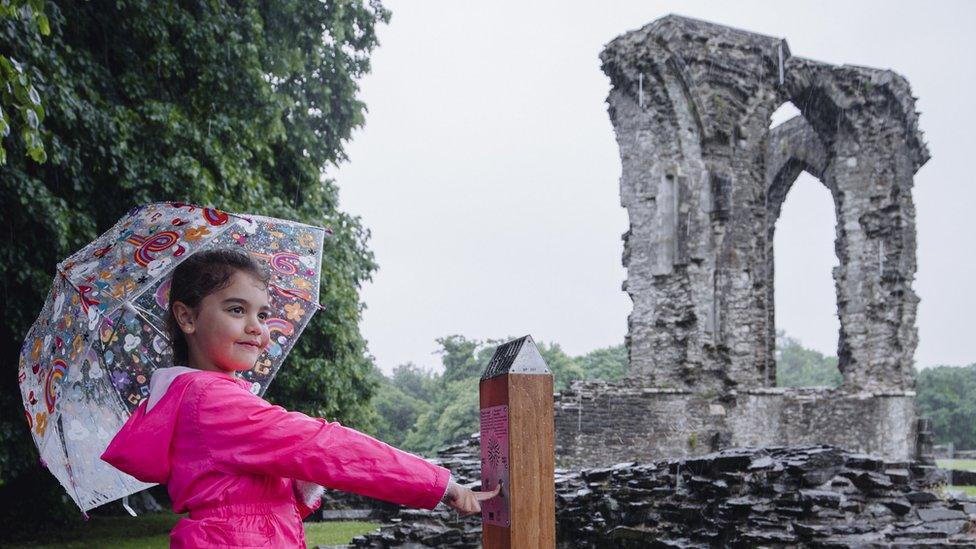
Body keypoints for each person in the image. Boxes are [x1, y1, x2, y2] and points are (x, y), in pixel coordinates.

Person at [101, 248, 498, 548]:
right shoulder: (211, 399)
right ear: (187, 318)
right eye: (237, 309)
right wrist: (442, 485)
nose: (257, 328)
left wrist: (300, 478)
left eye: (262, 314)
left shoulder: (196, 398)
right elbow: (328, 446)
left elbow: (254, 498)